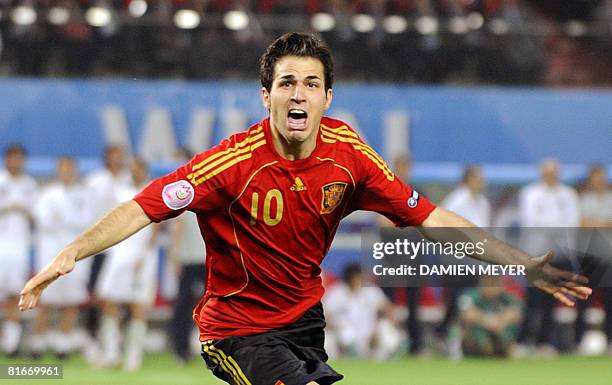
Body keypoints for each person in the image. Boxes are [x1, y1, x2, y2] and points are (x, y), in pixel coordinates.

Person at [20, 33, 590, 385]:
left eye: (311, 84)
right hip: (238, 329)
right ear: (265, 96)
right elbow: (142, 208)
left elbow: (436, 219)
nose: (299, 93)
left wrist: (518, 263)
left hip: (304, 322)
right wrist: (72, 251)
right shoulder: (230, 164)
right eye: (287, 82)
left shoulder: (350, 159)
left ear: (327, 98)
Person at [94, 158, 160, 371]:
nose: (135, 172)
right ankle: (112, 354)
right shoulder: (121, 192)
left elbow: (157, 226)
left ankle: (133, 357)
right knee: (109, 301)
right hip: (118, 255)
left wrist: (146, 253)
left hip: (142, 258)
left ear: (145, 171)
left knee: (137, 306)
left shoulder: (153, 191)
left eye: (139, 169)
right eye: (133, 168)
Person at [516, 158, 581, 356]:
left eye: (554, 172)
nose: (551, 176)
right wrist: (555, 225)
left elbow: (573, 221)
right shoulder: (531, 193)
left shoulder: (568, 194)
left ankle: (546, 341)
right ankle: (524, 341)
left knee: (553, 299)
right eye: (547, 172)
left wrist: (552, 226)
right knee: (533, 299)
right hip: (536, 254)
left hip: (560, 254)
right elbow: (530, 220)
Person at [30, 156, 92, 359]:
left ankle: (63, 346)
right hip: (50, 253)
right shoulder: (48, 194)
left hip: (74, 255)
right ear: (57, 171)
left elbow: (87, 222)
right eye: (62, 168)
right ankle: (37, 344)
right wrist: (66, 220)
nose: (66, 172)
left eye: (69, 168)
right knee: (46, 300)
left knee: (70, 301)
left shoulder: (83, 195)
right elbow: (44, 221)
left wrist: (65, 219)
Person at [168, 148, 207, 365]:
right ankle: (183, 347)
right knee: (190, 305)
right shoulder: (201, 188)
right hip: (194, 256)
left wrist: (174, 257)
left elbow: (178, 228)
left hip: (200, 256)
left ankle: (185, 347)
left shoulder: (181, 191)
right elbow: (177, 227)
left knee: (189, 304)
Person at [0, 144, 37, 356]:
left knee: (16, 294)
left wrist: (25, 210)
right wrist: (8, 207)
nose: (16, 162)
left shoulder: (29, 184)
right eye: (12, 158)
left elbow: (37, 216)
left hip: (19, 246)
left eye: (19, 158)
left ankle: (11, 345)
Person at [323, 264, 400, 360]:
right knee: (329, 337)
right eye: (355, 278)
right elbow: (324, 315)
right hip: (343, 338)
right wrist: (335, 328)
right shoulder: (337, 292)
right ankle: (343, 360)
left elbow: (389, 310)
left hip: (369, 336)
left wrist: (376, 329)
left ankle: (380, 362)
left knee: (385, 329)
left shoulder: (371, 291)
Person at [459, 275, 523, 357]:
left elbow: (515, 312)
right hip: (479, 332)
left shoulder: (507, 298)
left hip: (499, 332)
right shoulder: (470, 295)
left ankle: (504, 348)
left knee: (506, 329)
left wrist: (500, 322)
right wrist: (486, 321)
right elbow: (467, 313)